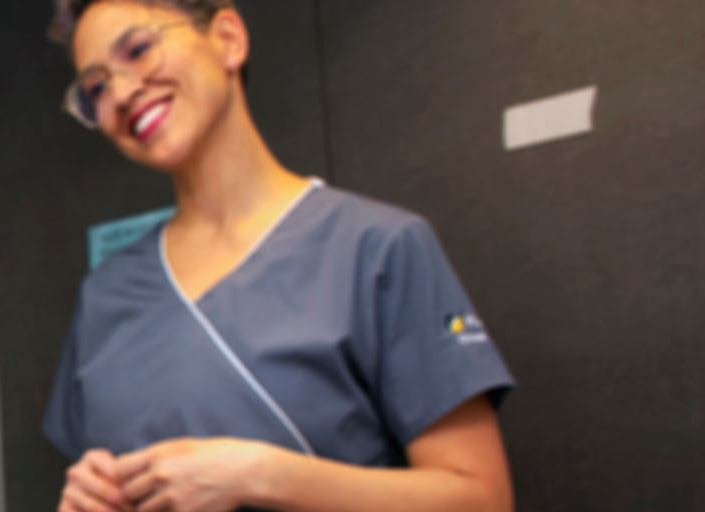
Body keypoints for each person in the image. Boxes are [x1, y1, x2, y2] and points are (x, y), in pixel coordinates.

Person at [42, 1, 517, 511]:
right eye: (96, 89)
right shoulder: (106, 296)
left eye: (138, 50)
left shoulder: (377, 249)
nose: (123, 92)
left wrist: (261, 476)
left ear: (227, 39)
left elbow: (482, 500)